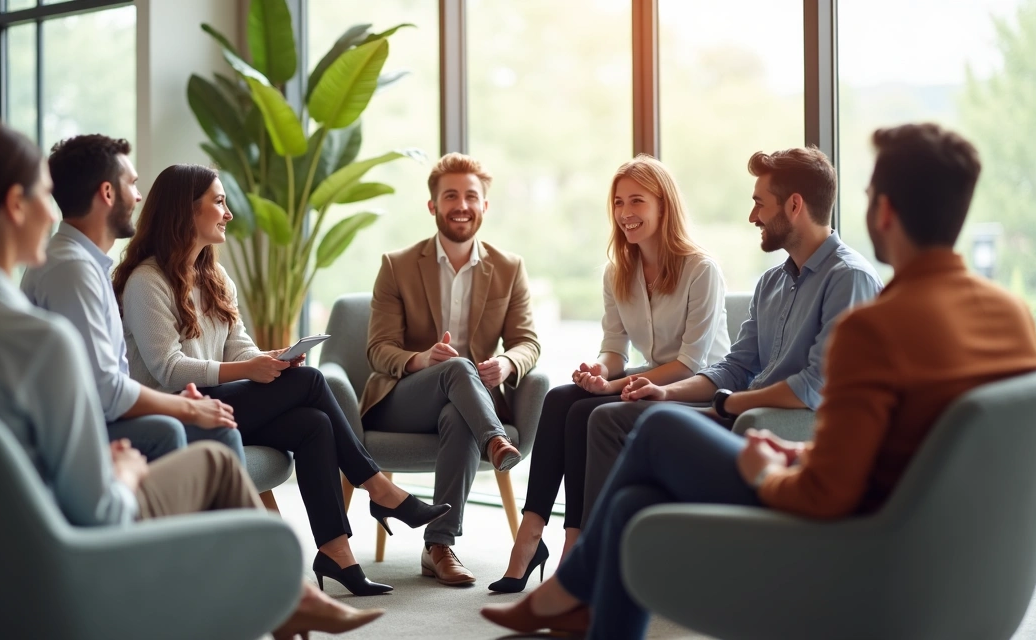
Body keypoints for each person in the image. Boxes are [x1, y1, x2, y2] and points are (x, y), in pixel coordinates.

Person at [481, 123, 1036, 639]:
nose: (752, 215)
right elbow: (902, 442)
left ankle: (569, 589)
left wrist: (769, 469)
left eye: (871, 196)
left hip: (860, 542)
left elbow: (826, 488)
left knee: (660, 434)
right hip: (935, 542)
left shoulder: (872, 321)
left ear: (887, 211)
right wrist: (782, 449)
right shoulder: (1011, 315)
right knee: (632, 501)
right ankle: (583, 600)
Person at [0, 120, 383, 640]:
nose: (55, 213)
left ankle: (287, 596)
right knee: (209, 458)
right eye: (47, 197)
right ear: (14, 205)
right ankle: (279, 594)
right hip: (49, 561)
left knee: (259, 428)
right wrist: (125, 472)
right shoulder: (42, 339)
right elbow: (100, 509)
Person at [114, 164, 449, 596]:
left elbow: (238, 347)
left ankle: (337, 553)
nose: (227, 213)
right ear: (185, 210)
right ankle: (379, 487)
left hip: (218, 400)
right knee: (309, 383)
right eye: (218, 201)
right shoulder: (147, 281)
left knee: (315, 423)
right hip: (178, 410)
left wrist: (270, 360)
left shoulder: (214, 277)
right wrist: (249, 370)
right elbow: (169, 369)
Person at [579, 146, 883, 525]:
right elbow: (735, 367)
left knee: (647, 423)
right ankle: (605, 554)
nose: (753, 216)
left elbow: (814, 386)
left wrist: (730, 404)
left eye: (760, 204)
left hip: (771, 425)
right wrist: (665, 392)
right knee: (611, 424)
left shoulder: (848, 278)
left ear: (794, 206)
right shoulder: (772, 281)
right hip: (736, 410)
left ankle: (586, 563)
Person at [490, 155, 729, 593]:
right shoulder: (618, 272)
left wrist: (612, 386)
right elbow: (615, 350)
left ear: (664, 205)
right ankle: (530, 536)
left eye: (636, 201)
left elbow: (692, 363)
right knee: (563, 397)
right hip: (646, 378)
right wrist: (598, 371)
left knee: (585, 413)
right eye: (618, 202)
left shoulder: (701, 269)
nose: (624, 213)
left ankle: (574, 547)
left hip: (697, 388)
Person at [362, 152, 542, 586]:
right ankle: (496, 439)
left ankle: (438, 545)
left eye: (470, 196)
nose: (461, 204)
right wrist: (421, 360)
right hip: (403, 398)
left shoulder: (509, 267)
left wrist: (505, 362)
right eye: (450, 196)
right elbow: (377, 348)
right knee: (456, 370)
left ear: (484, 205)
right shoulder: (397, 265)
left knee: (457, 413)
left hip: (468, 403)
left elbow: (528, 343)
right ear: (433, 206)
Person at [21, 134, 245, 464]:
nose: (140, 197)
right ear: (107, 193)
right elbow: (107, 392)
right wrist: (186, 407)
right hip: (77, 431)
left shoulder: (83, 265)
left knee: (232, 427)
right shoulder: (72, 271)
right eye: (132, 184)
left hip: (97, 415)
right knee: (204, 431)